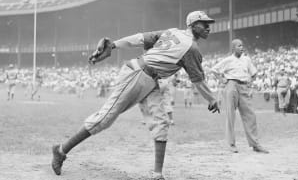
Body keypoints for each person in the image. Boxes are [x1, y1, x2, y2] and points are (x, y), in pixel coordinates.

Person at [51, 11, 220, 180]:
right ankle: (61, 150)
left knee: (161, 123)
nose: (208, 27)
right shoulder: (191, 47)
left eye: (208, 24)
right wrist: (211, 99)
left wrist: (114, 45)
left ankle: (157, 175)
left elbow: (140, 38)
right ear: (192, 24)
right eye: (203, 23)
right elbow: (198, 80)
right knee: (105, 119)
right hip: (138, 74)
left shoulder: (172, 32)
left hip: (151, 80)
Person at [211, 39, 268, 154]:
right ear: (233, 48)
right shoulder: (228, 60)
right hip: (231, 85)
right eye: (239, 46)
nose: (242, 47)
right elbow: (214, 70)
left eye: (242, 45)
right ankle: (232, 144)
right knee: (230, 116)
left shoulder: (246, 59)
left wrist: (249, 83)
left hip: (243, 86)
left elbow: (254, 73)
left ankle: (255, 144)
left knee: (250, 115)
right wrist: (222, 79)